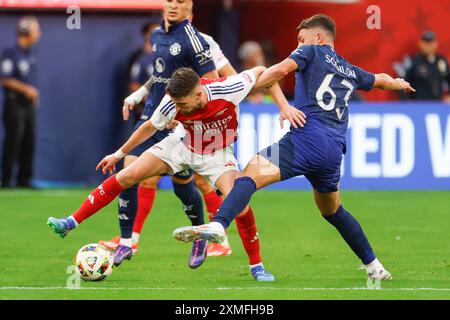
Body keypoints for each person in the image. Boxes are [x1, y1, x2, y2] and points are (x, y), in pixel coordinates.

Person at [173, 14, 415, 281]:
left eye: (301, 38)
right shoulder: (349, 68)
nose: (297, 44)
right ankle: (374, 266)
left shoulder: (309, 51)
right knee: (333, 210)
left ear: (318, 37)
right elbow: (379, 79)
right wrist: (398, 83)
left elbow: (279, 71)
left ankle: (219, 225)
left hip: (305, 139)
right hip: (333, 152)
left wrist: (240, 89)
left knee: (248, 175)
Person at [47, 67, 306, 281]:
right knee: (127, 175)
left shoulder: (228, 88)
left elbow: (266, 72)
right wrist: (119, 153)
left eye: (183, 103)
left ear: (198, 93)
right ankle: (71, 222)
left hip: (218, 155)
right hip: (180, 146)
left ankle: (256, 266)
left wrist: (283, 105)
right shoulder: (172, 102)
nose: (178, 107)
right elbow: (149, 127)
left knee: (240, 203)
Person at [99, 5, 236, 259]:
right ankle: (130, 240)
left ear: (191, 13)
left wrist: (205, 112)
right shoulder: (159, 36)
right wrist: (140, 93)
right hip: (161, 116)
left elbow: (224, 78)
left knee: (199, 182)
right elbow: (162, 75)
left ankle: (220, 239)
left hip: (190, 121)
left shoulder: (202, 42)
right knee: (141, 174)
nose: (173, 7)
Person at [0, 16, 41, 188]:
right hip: (14, 103)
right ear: (26, 31)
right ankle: (7, 179)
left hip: (28, 105)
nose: (39, 34)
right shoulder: (11, 52)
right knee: (13, 140)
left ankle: (24, 180)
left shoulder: (28, 54)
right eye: (36, 30)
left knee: (29, 141)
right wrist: (26, 90)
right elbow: (5, 79)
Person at [404, 31, 450, 101]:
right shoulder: (415, 61)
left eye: (431, 42)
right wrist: (406, 102)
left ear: (436, 43)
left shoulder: (441, 60)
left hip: (439, 104)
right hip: (420, 104)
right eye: (426, 43)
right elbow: (403, 82)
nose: (428, 46)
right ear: (420, 44)